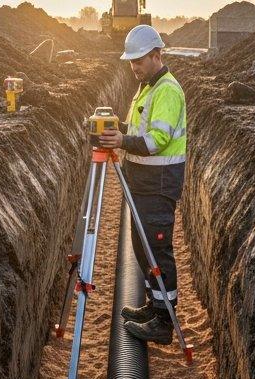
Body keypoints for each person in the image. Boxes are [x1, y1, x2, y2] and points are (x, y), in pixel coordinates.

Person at [97, 24, 186, 343]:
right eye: (131, 61)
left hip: (158, 184)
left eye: (139, 60)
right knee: (142, 246)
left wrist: (122, 140)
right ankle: (154, 306)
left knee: (157, 249)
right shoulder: (148, 87)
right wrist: (114, 128)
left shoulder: (167, 90)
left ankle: (164, 323)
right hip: (143, 183)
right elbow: (138, 129)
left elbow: (158, 140)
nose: (133, 66)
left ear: (156, 55)